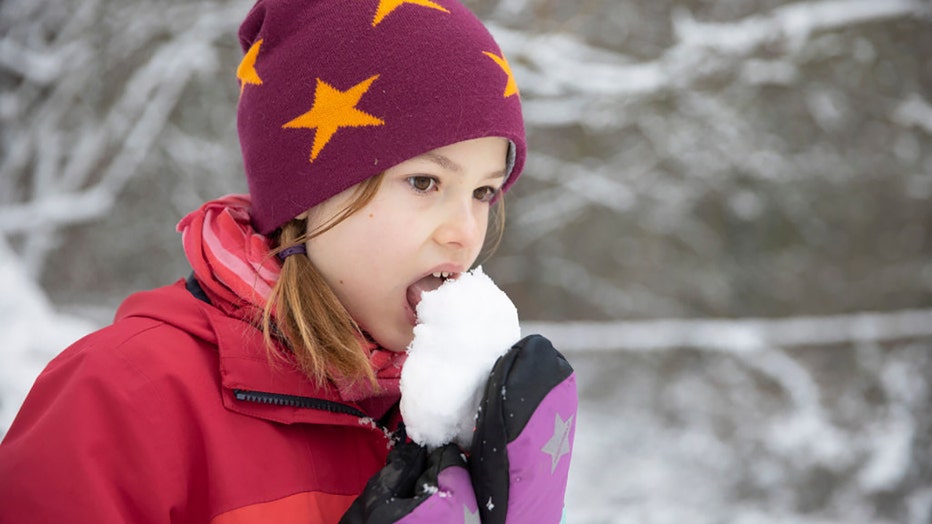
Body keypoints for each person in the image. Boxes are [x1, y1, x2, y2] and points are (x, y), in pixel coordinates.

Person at [0, 0, 577, 522]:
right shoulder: (121, 399)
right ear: (304, 198)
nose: (464, 234)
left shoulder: (452, 411)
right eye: (424, 181)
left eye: (483, 193)